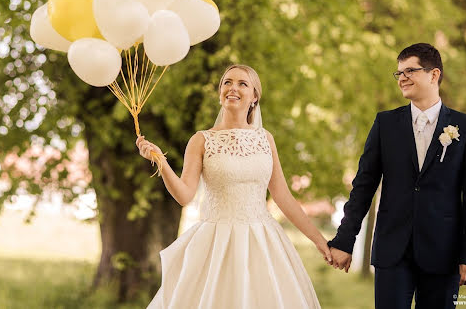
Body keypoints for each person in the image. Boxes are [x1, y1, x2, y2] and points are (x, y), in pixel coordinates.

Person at [137, 64, 330, 308]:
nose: (232, 88)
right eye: (227, 82)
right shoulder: (201, 140)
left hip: (262, 243)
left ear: (254, 96)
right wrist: (161, 162)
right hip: (216, 243)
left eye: (242, 84)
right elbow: (185, 195)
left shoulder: (265, 138)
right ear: (219, 92)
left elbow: (283, 196)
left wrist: (319, 241)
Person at [328, 43, 466, 309]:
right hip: (392, 252)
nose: (402, 77)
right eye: (399, 72)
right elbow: (363, 188)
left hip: (443, 253)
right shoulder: (385, 124)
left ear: (434, 75)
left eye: (410, 70)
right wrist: (345, 241)